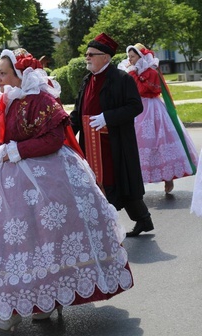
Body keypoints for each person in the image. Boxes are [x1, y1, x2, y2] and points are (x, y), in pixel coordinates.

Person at [0, 49, 133, 331]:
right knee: (14, 242)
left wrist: (13, 150)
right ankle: (17, 305)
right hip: (9, 180)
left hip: (45, 179)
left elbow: (53, 139)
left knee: (43, 239)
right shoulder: (6, 98)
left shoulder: (41, 99)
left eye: (4, 73)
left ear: (22, 74)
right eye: (0, 73)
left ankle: (42, 301)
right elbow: (2, 130)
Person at [70, 33, 155, 238]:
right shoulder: (87, 79)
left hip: (115, 142)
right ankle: (107, 226)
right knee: (96, 183)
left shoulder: (121, 78)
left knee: (120, 183)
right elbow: (77, 112)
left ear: (106, 57)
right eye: (86, 54)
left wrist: (108, 117)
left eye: (91, 54)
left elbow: (135, 106)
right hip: (90, 143)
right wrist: (66, 134)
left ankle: (138, 220)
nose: (87, 57)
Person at [117, 43, 198, 194]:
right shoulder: (131, 71)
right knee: (138, 145)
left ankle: (168, 177)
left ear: (140, 57)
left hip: (152, 109)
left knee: (160, 143)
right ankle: (138, 181)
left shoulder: (151, 71)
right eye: (129, 57)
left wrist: (133, 74)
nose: (130, 60)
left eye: (133, 57)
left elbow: (145, 90)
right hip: (136, 110)